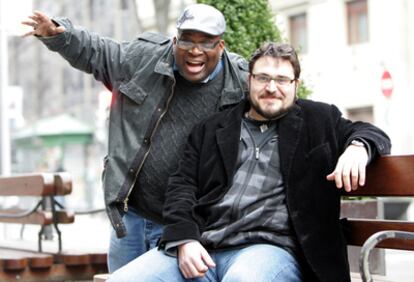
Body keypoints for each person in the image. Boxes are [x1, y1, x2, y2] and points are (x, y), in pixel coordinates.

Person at [107, 42, 391, 282]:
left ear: (296, 85)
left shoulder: (319, 120)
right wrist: (184, 239)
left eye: (282, 80)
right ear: (249, 80)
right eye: (263, 78)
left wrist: (357, 148)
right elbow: (182, 187)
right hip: (203, 247)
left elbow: (370, 132)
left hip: (269, 250)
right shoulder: (213, 128)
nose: (272, 88)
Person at [22, 4, 248, 272]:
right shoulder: (144, 59)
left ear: (220, 46)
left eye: (206, 43)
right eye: (187, 40)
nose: (195, 51)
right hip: (133, 217)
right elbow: (98, 52)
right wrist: (59, 34)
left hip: (191, 227)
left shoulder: (241, 83)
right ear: (175, 40)